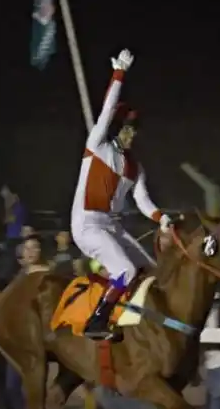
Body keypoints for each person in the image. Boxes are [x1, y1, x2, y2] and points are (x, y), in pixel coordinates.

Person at [69, 48, 172, 340]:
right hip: (86, 225)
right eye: (128, 129)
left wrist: (161, 217)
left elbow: (142, 201)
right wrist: (119, 74)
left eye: (135, 130)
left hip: (112, 226)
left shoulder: (134, 167)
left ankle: (134, 324)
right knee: (125, 270)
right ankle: (96, 323)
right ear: (118, 128)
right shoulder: (97, 145)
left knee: (151, 273)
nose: (132, 135)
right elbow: (104, 112)